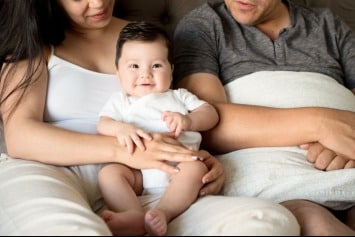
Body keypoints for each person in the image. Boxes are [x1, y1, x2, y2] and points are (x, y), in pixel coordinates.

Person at [0, 0, 300, 235]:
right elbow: (20, 136)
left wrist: (202, 159)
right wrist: (126, 151)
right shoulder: (35, 43)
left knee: (270, 221)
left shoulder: (146, 39)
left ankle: (146, 221)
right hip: (52, 171)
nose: (98, 3)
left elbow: (184, 114)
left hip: (151, 182)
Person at [173, 0, 355, 235]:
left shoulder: (327, 25)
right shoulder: (205, 25)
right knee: (315, 223)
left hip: (345, 164)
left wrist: (342, 146)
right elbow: (207, 122)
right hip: (275, 178)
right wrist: (323, 126)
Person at [96, 21, 219, 236]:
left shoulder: (178, 96)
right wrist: (120, 129)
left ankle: (164, 212)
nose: (145, 74)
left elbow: (211, 114)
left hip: (179, 165)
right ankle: (132, 213)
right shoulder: (122, 101)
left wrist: (188, 120)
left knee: (196, 169)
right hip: (138, 172)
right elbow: (103, 124)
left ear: (171, 70)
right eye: (134, 66)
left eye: (156, 66)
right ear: (118, 72)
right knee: (109, 174)